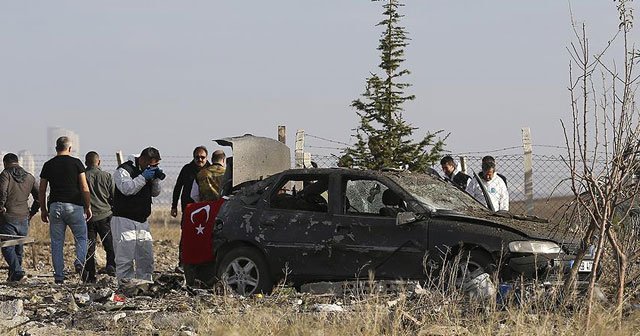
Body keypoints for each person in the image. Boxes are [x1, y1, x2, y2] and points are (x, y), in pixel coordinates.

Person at [39, 136, 92, 284]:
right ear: (70, 148)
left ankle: (59, 277)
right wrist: (87, 207)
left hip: (55, 206)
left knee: (57, 243)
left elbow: (42, 190)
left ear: (56, 148)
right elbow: (84, 187)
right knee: (81, 238)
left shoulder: (48, 165)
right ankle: (79, 261)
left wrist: (43, 209)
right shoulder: (76, 163)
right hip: (75, 207)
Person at [111, 147, 163, 282]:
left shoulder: (146, 171)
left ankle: (144, 285)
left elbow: (155, 193)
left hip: (142, 220)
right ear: (143, 160)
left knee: (146, 258)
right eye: (151, 164)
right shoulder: (124, 170)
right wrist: (143, 177)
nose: (152, 167)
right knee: (125, 258)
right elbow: (127, 189)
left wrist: (156, 179)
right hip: (124, 220)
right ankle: (125, 286)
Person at [184, 149, 226, 286]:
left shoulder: (201, 174)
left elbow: (194, 196)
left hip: (205, 214)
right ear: (224, 160)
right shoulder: (228, 174)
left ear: (211, 159)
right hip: (223, 213)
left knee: (204, 243)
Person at [0, 153, 39, 282]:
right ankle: (13, 278)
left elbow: (2, 192)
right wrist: (32, 212)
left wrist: (1, 207)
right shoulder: (29, 177)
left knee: (7, 246)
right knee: (18, 247)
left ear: (5, 163)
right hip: (24, 217)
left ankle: (18, 272)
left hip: (8, 216)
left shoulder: (5, 174)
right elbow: (39, 197)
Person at [170, 146, 210, 273]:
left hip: (206, 211)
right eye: (197, 157)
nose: (200, 160)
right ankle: (183, 263)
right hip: (188, 209)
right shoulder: (187, 169)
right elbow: (178, 187)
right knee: (186, 237)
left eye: (202, 157)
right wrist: (174, 206)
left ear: (206, 158)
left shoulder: (211, 170)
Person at [83, 151, 116, 282]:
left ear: (86, 163)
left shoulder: (82, 176)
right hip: (105, 216)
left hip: (88, 217)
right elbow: (113, 195)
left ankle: (90, 275)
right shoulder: (107, 176)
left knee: (89, 247)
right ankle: (111, 266)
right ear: (99, 162)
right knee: (109, 244)